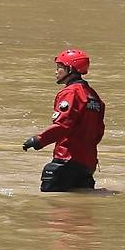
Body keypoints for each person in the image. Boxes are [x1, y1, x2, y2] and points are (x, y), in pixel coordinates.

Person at [22, 49, 105, 192]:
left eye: (59, 68)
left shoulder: (70, 93)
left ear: (70, 69)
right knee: (80, 209)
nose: (56, 72)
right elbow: (99, 131)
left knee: (53, 207)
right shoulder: (93, 96)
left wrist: (38, 140)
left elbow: (62, 125)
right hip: (88, 164)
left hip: (67, 159)